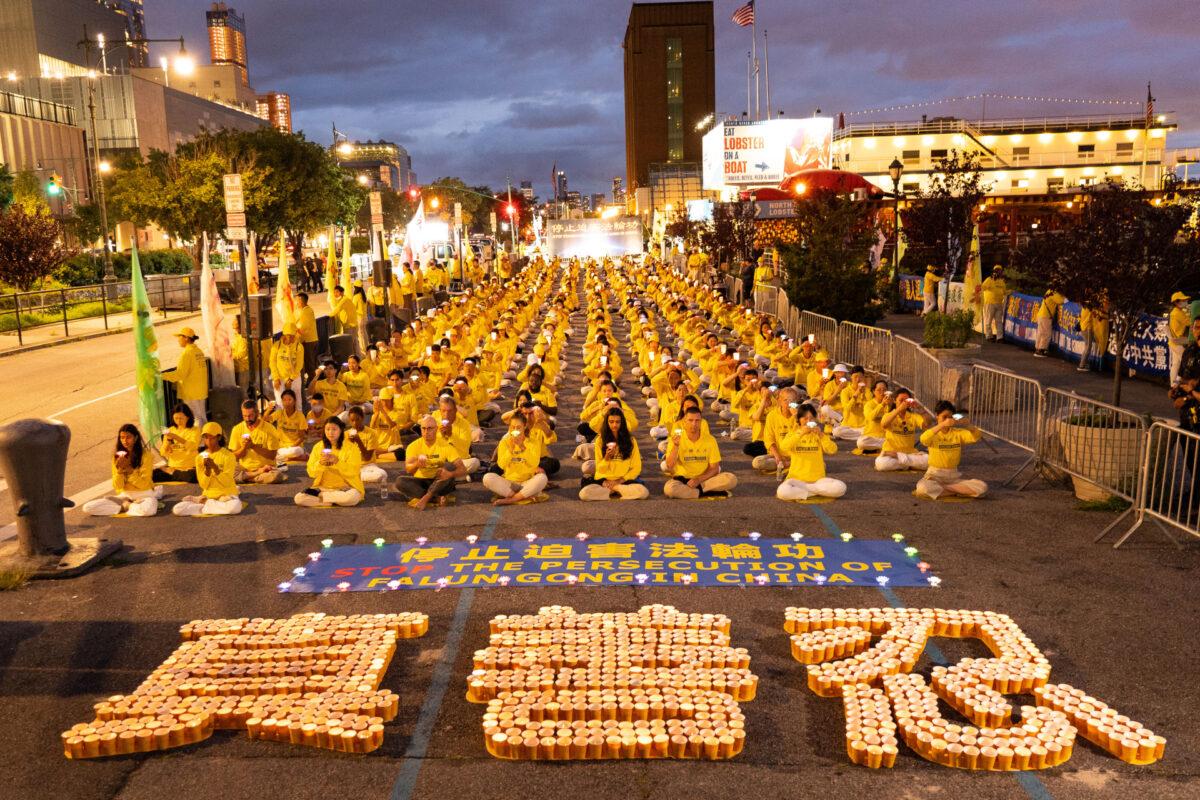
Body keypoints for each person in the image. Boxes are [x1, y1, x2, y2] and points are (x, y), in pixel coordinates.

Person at [82, 424, 161, 517]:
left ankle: (126, 506)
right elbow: (117, 486)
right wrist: (120, 471)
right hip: (124, 496)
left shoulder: (146, 456)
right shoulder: (118, 457)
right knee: (88, 507)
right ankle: (127, 506)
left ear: (135, 438)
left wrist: (130, 471)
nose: (125, 441)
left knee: (148, 511)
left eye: (128, 437)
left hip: (144, 494)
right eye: (122, 438)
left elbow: (144, 485)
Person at [915, 402, 988, 500]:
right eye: (944, 417)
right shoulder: (934, 432)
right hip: (934, 475)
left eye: (950, 417)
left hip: (953, 476)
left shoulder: (958, 433)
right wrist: (941, 425)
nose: (947, 420)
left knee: (982, 487)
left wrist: (968, 425)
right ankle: (957, 491)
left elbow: (976, 436)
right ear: (937, 416)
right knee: (922, 488)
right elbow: (923, 439)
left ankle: (944, 490)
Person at [394, 415, 468, 510]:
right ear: (420, 429)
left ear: (436, 429)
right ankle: (436, 497)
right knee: (400, 481)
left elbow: (463, 470)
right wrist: (416, 464)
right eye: (423, 428)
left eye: (430, 428)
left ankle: (426, 498)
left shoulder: (445, 446)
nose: (426, 432)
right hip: (422, 481)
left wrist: (450, 474)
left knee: (449, 466)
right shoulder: (413, 446)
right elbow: (408, 469)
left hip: (441, 481)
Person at [663, 407, 738, 499]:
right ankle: (708, 492)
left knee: (731, 479)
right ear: (684, 422)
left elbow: (714, 468)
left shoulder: (710, 440)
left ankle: (695, 492)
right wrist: (676, 446)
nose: (694, 424)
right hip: (683, 481)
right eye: (690, 420)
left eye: (697, 420)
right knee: (670, 489)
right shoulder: (675, 439)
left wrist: (698, 480)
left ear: (701, 422)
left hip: (704, 479)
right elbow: (669, 466)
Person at [172, 422, 243, 516]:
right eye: (205, 437)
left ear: (219, 437)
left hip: (226, 494)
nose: (208, 440)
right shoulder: (199, 457)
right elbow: (203, 485)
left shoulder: (229, 456)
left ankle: (205, 506)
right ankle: (210, 506)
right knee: (177, 509)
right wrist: (208, 470)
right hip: (209, 495)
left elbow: (227, 482)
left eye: (211, 437)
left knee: (235, 507)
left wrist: (215, 468)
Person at [776, 404, 846, 501]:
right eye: (805, 418)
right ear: (799, 420)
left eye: (811, 419)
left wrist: (821, 435)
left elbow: (833, 450)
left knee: (841, 487)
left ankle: (806, 492)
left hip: (818, 480)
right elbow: (783, 447)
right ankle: (817, 492)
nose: (808, 422)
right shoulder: (793, 434)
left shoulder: (819, 435)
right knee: (782, 492)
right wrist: (801, 433)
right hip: (796, 480)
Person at [579, 407, 649, 500]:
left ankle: (613, 490)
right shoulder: (600, 440)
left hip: (623, 480)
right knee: (584, 494)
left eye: (617, 422)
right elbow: (600, 469)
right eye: (611, 422)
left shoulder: (631, 440)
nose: (614, 425)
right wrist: (607, 458)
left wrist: (619, 481)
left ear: (622, 423)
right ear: (607, 423)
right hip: (604, 480)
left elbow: (636, 467)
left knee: (643, 492)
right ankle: (617, 491)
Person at [294, 417, 364, 507]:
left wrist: (337, 461)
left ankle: (323, 499)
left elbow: (354, 471)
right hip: (323, 488)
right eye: (327, 429)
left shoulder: (351, 448)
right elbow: (311, 473)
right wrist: (320, 464)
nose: (330, 433)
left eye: (334, 429)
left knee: (351, 498)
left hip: (346, 488)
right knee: (299, 498)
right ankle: (332, 500)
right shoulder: (318, 447)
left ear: (341, 430)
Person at [483, 417, 549, 505]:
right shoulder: (504, 442)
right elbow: (501, 465)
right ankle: (524, 496)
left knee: (542, 478)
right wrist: (510, 450)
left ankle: (511, 500)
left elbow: (534, 464)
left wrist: (522, 447)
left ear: (524, 426)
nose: (515, 430)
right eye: (512, 427)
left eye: (518, 427)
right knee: (487, 478)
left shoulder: (533, 442)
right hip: (509, 483)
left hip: (527, 481)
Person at [875, 389, 929, 472]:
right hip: (891, 452)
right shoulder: (889, 415)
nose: (904, 403)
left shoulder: (913, 416)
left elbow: (926, 426)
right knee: (881, 464)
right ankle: (908, 463)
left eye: (906, 400)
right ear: (894, 401)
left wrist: (920, 409)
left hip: (908, 453)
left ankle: (902, 461)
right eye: (901, 400)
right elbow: (884, 424)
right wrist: (899, 409)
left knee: (929, 461)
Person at [230, 400, 283, 483]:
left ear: (257, 413)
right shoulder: (237, 429)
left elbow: (272, 455)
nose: (247, 419)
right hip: (245, 468)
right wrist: (244, 448)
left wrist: (253, 446)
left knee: (277, 476)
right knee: (222, 467)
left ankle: (245, 477)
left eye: (250, 416)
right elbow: (234, 456)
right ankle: (254, 476)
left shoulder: (269, 429)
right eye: (245, 416)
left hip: (266, 468)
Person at [164, 326, 208, 424]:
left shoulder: (187, 353)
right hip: (200, 390)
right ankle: (206, 437)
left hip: (191, 391)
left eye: (179, 337)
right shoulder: (198, 351)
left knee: (195, 418)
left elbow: (180, 374)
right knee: (202, 416)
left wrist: (162, 375)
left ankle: (198, 439)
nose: (178, 340)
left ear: (186, 338)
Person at [154, 403, 200, 483]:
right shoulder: (171, 430)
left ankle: (173, 474)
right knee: (152, 475)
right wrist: (168, 442)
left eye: (181, 418)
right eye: (176, 418)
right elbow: (163, 452)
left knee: (193, 477)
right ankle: (174, 474)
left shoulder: (195, 430)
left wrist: (176, 437)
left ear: (188, 417)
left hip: (188, 467)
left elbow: (193, 446)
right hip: (173, 466)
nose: (178, 421)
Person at [345, 405, 387, 484]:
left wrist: (359, 441)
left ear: (363, 418)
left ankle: (354, 477)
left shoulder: (371, 433)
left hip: (368, 466)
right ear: (349, 421)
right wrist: (350, 444)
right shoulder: (346, 434)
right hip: (352, 467)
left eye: (358, 420)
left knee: (382, 474)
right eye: (352, 420)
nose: (355, 423)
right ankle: (354, 477)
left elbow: (367, 458)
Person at [267, 388, 309, 463]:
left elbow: (301, 437)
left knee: (295, 451)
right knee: (268, 450)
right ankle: (295, 458)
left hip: (295, 447)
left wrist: (292, 447)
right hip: (280, 446)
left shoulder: (300, 416)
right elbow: (265, 420)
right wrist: (268, 410)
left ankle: (287, 458)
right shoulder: (279, 413)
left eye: (289, 399)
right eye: (284, 400)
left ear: (294, 401)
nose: (287, 402)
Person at [270, 322, 304, 405]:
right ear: (284, 334)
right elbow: (272, 362)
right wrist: (276, 378)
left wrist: (291, 379)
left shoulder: (299, 347)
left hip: (294, 378)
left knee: (297, 402)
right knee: (280, 403)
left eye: (293, 335)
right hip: (279, 378)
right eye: (289, 335)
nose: (291, 338)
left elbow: (299, 365)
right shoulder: (276, 346)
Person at [1168, 291, 1193, 386]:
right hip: (1178, 343)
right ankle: (1177, 385)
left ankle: (1173, 385)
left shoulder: (1175, 312)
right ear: (1177, 302)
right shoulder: (1178, 313)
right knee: (1185, 364)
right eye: (1184, 300)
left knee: (1175, 365)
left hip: (1174, 342)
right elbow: (1190, 322)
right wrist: (1191, 311)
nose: (1186, 302)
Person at [295, 293, 320, 385]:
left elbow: (304, 327)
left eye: (297, 300)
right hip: (308, 340)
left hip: (308, 340)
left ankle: (312, 383)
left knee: (309, 363)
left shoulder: (306, 311)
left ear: (301, 300)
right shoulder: (303, 310)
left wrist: (295, 328)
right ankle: (311, 381)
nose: (296, 302)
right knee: (309, 362)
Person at [1034, 290, 1064, 357]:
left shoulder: (1049, 291)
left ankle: (1037, 349)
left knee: (1040, 333)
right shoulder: (1053, 292)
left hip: (1041, 314)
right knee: (1046, 333)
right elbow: (1061, 301)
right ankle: (1042, 350)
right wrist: (1067, 299)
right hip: (1046, 316)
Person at [980, 266, 1007, 341]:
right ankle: (989, 336)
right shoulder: (989, 279)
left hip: (999, 304)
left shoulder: (1002, 281)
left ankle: (999, 337)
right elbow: (983, 287)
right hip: (990, 303)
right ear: (994, 271)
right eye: (997, 271)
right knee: (988, 320)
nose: (999, 272)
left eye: (1000, 271)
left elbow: (1004, 292)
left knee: (999, 321)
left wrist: (1011, 292)